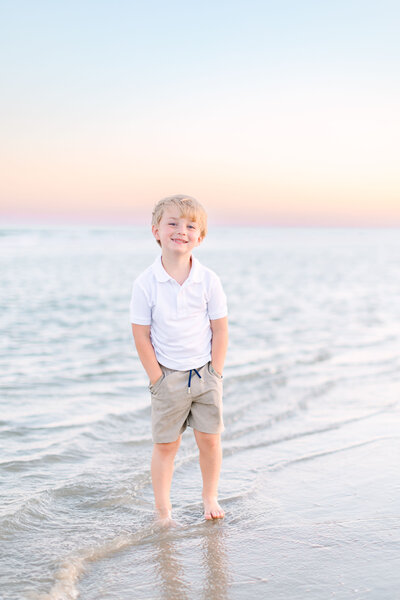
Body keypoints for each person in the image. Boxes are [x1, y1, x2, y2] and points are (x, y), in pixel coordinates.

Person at [130, 194, 228, 525]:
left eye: (190, 226)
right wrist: (157, 379)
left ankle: (209, 496)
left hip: (204, 375)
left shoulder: (208, 280)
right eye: (172, 223)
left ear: (199, 237)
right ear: (156, 230)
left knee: (209, 442)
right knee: (166, 446)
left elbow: (220, 329)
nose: (180, 231)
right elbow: (141, 335)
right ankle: (163, 510)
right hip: (167, 377)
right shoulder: (146, 283)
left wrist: (215, 371)